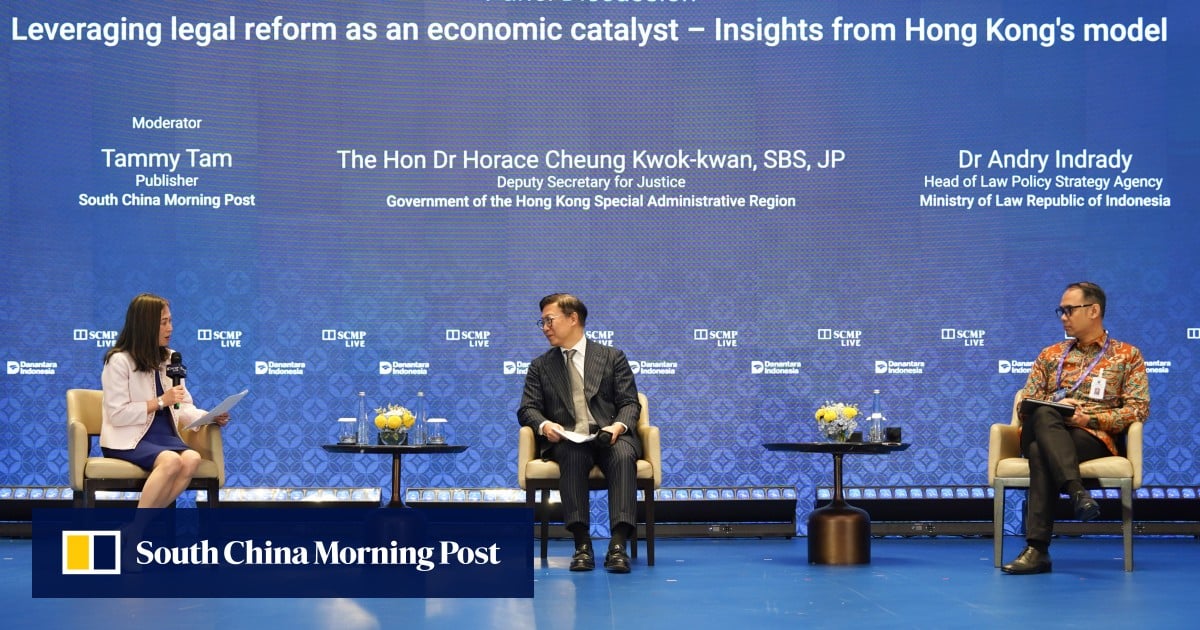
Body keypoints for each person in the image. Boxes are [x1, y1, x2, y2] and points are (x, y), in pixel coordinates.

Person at [1001, 282, 1149, 574]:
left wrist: (1088, 419)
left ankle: (1037, 550)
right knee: (1045, 413)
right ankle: (1076, 490)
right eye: (1061, 311)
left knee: (1040, 452)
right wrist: (1057, 404)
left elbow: (1138, 409)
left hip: (1090, 436)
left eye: (1069, 310)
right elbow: (1025, 405)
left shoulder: (1127, 355)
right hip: (1040, 426)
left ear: (1094, 311)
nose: (1063, 317)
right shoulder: (1050, 354)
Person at [518, 293, 642, 573]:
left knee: (623, 455)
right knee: (572, 455)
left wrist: (617, 427)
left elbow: (629, 403)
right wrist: (545, 426)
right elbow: (527, 409)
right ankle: (582, 544)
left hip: (609, 436)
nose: (545, 327)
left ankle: (618, 544)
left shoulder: (612, 357)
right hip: (569, 440)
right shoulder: (540, 366)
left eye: (549, 320)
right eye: (542, 322)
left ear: (573, 318)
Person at [100, 293, 230, 508]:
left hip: (165, 437)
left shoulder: (171, 358)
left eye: (170, 321)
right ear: (145, 325)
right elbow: (118, 414)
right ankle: (138, 526)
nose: (170, 328)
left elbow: (182, 405)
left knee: (192, 459)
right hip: (129, 438)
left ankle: (139, 524)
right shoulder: (119, 361)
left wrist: (209, 417)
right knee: (171, 461)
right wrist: (160, 401)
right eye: (163, 323)